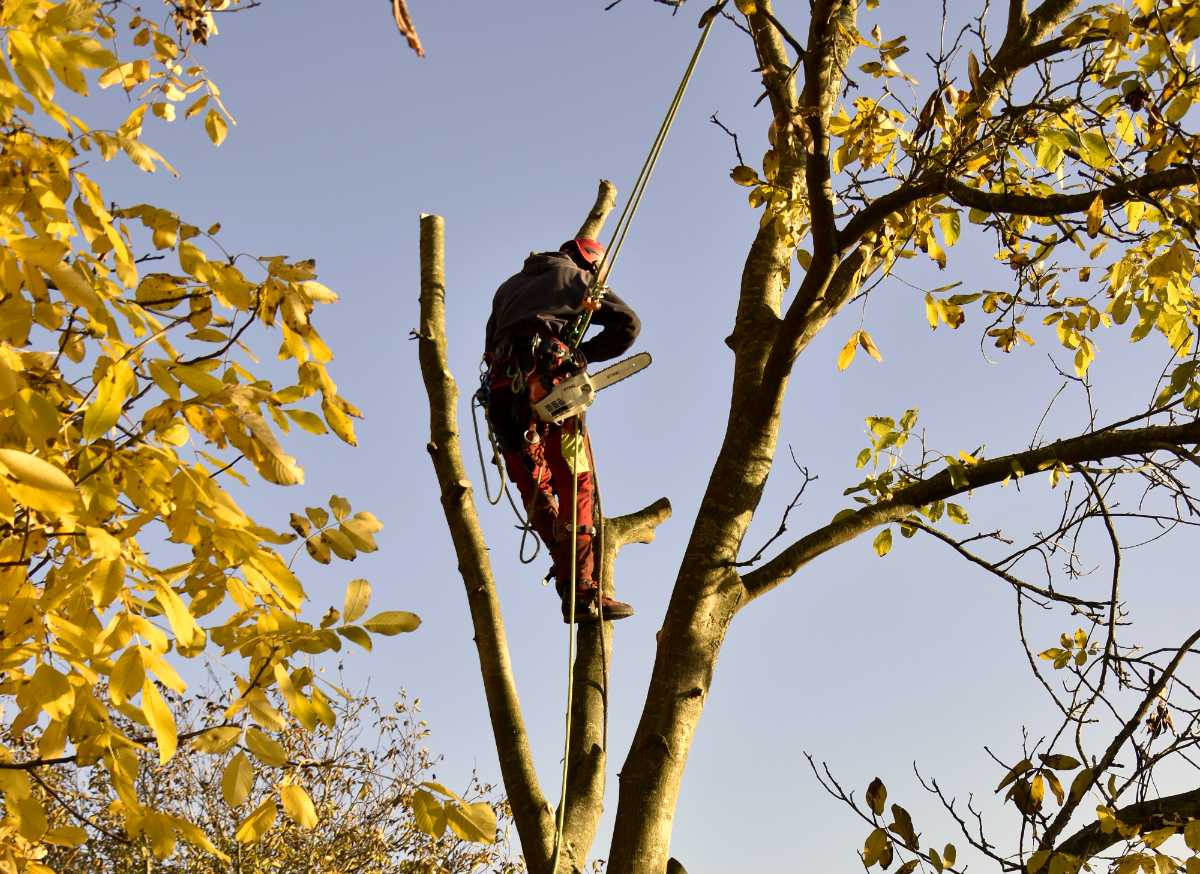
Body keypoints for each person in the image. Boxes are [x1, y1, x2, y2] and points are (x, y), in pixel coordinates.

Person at [483, 237, 640, 623]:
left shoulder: (507, 288)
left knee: (536, 489)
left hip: (504, 397)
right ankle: (585, 592)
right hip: (550, 381)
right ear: (589, 262)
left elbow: (491, 346)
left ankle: (569, 579)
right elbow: (628, 325)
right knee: (577, 481)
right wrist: (582, 354)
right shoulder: (574, 277)